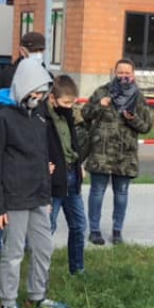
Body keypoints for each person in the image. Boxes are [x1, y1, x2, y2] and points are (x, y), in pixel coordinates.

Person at [0, 59, 68, 308]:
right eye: (35, 91)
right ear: (23, 87)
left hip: (38, 197)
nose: (39, 97)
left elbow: (43, 158)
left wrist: (46, 196)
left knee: (44, 248)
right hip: (14, 198)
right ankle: (7, 304)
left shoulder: (39, 119)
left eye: (43, 93)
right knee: (13, 253)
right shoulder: (1, 119)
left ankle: (37, 296)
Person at [0, 30, 48, 263]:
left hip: (33, 149)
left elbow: (45, 115)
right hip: (10, 143)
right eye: (34, 50)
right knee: (3, 199)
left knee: (30, 210)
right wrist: (13, 117)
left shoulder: (45, 76)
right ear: (22, 50)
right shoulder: (6, 75)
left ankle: (28, 243)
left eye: (41, 50)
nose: (38, 54)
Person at [82, 58, 152, 245]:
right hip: (101, 153)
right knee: (97, 192)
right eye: (120, 73)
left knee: (121, 194)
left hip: (125, 154)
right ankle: (94, 230)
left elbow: (146, 127)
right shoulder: (102, 92)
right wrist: (100, 105)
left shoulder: (138, 97)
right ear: (115, 73)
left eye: (127, 73)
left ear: (133, 74)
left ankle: (117, 231)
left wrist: (133, 119)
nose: (124, 76)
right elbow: (85, 113)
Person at [46, 74, 87, 276]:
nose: (69, 106)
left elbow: (73, 143)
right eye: (65, 103)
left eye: (72, 103)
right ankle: (41, 274)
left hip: (72, 176)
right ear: (52, 99)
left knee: (79, 225)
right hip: (54, 181)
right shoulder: (42, 119)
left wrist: (79, 164)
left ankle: (77, 269)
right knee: (48, 227)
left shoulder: (68, 115)